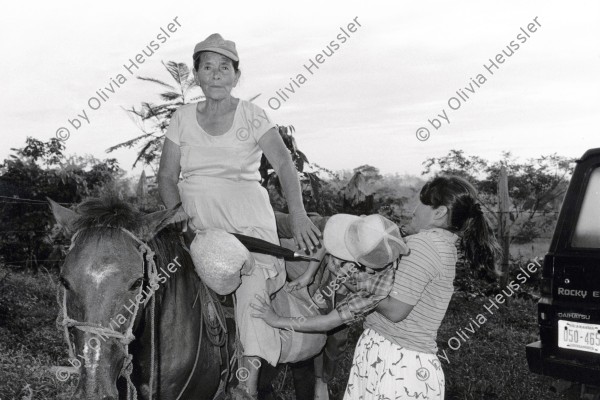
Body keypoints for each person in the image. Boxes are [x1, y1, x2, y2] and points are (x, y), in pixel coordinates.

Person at [157, 33, 321, 399]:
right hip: (193, 222)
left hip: (247, 223)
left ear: (236, 76)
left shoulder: (252, 114)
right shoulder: (181, 118)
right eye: (207, 67)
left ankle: (246, 377)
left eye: (224, 68)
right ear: (196, 75)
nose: (216, 75)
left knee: (250, 286)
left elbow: (283, 163)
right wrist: (179, 219)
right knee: (153, 277)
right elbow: (167, 176)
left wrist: (298, 214)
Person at [342, 176, 502, 399]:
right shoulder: (445, 246)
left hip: (392, 362)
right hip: (410, 364)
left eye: (422, 202)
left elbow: (396, 311)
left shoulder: (423, 245)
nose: (414, 209)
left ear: (439, 213)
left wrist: (356, 285)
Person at [251, 214, 409, 333]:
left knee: (334, 339)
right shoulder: (373, 229)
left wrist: (276, 320)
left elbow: (328, 322)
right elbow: (329, 240)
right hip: (330, 269)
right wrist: (309, 274)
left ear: (365, 266)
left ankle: (322, 373)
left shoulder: (374, 290)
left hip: (344, 292)